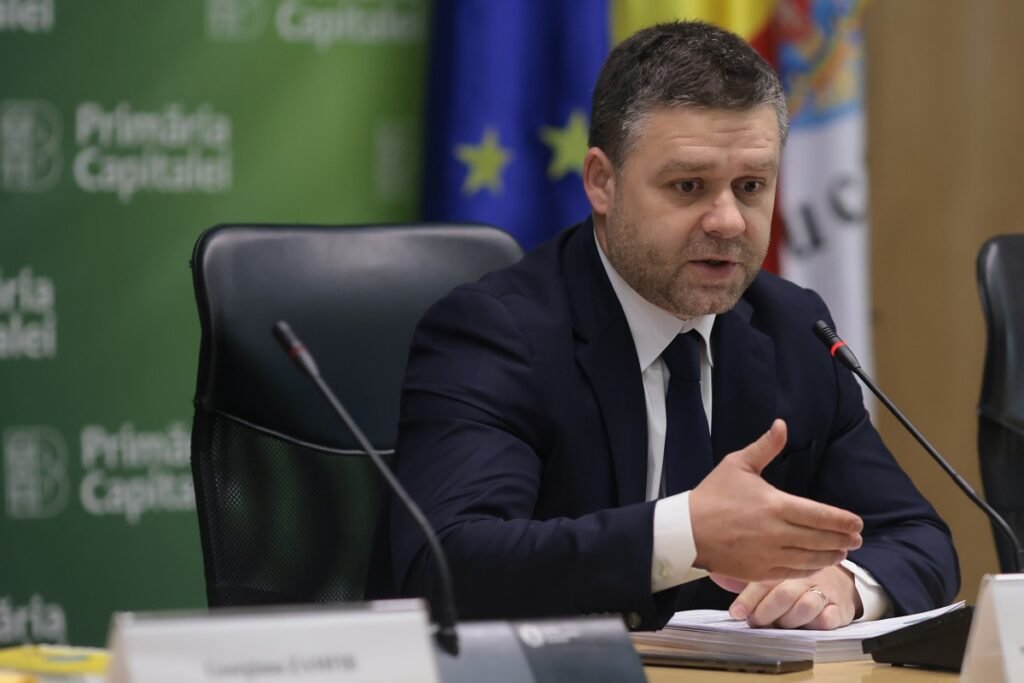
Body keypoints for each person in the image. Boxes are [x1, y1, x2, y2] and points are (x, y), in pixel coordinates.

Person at [383, 20, 958, 631]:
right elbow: (446, 563)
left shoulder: (795, 329)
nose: (729, 221)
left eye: (751, 186)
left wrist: (844, 584)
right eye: (689, 186)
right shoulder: (496, 333)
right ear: (602, 183)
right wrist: (686, 533)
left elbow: (917, 536)